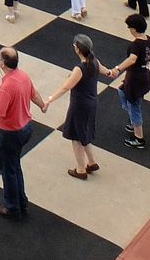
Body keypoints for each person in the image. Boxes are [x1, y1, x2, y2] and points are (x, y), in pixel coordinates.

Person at [0, 47, 48, 220]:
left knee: (8, 170)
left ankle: (13, 207)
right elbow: (34, 95)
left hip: (11, 134)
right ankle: (22, 201)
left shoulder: (6, 87)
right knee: (15, 165)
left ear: (4, 63)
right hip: (26, 128)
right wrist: (42, 105)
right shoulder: (23, 76)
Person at [44, 33, 110, 179]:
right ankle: (91, 162)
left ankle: (80, 169)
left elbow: (65, 88)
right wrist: (112, 71)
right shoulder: (94, 62)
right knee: (84, 132)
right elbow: (105, 70)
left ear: (77, 49)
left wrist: (49, 99)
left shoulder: (80, 69)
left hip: (79, 105)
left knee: (76, 136)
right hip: (92, 102)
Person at [107, 14, 150, 152]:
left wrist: (118, 68)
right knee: (122, 91)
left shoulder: (136, 44)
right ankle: (134, 121)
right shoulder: (148, 39)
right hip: (143, 75)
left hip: (136, 77)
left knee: (134, 106)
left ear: (133, 29)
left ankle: (139, 137)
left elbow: (132, 59)